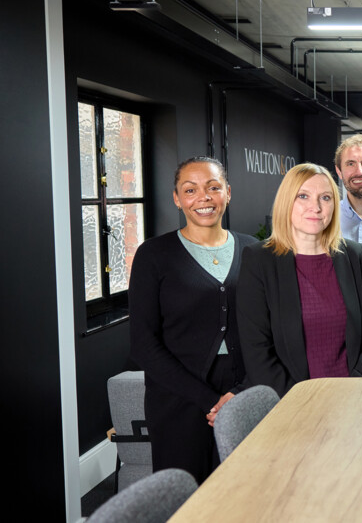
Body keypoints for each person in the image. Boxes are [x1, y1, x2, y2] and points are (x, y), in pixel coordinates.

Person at [129, 156, 258, 483]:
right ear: (176, 198)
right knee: (185, 497)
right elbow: (144, 345)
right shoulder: (153, 255)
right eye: (190, 190)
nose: (204, 197)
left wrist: (241, 392)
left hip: (243, 389)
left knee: (245, 491)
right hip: (178, 396)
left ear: (228, 192)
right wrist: (211, 401)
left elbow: (265, 332)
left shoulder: (254, 250)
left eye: (213, 188)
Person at [237, 163, 362, 397]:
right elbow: (257, 350)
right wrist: (301, 402)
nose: (315, 207)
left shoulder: (353, 255)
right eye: (303, 196)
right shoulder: (259, 260)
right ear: (287, 202)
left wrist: (354, 389)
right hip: (291, 405)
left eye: (325, 198)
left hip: (353, 398)